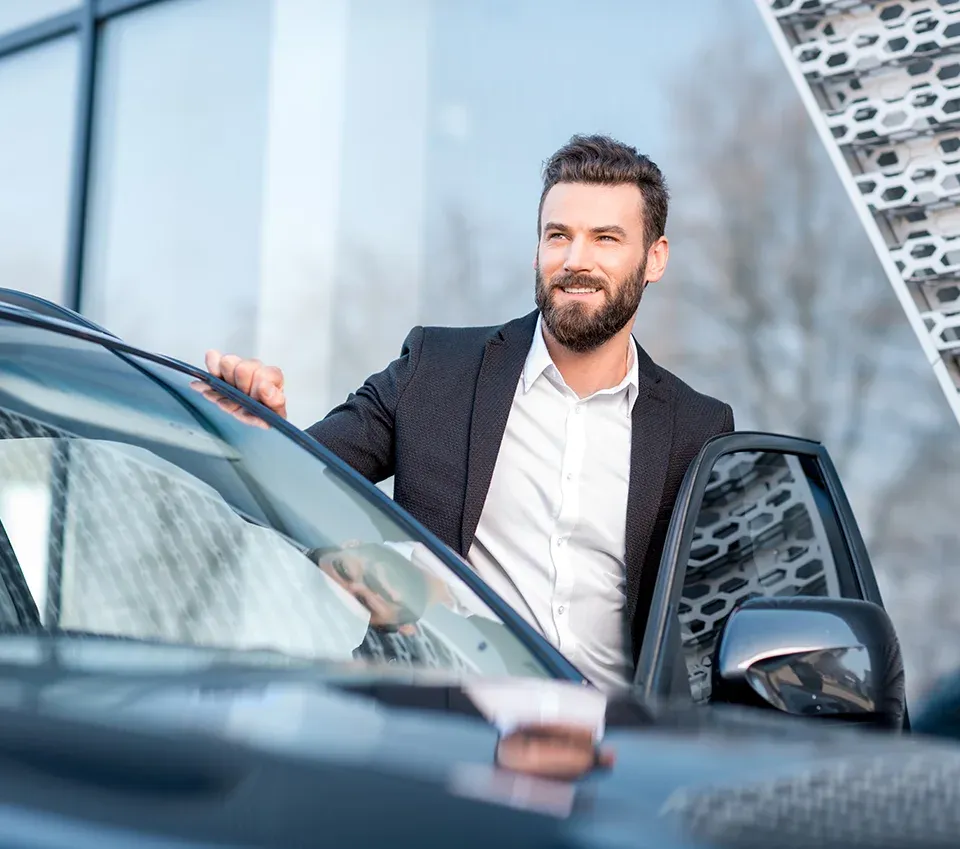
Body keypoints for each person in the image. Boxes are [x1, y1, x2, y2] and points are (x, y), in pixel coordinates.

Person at [204, 134, 735, 691]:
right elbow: (294, 486)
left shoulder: (695, 430)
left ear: (654, 258)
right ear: (537, 249)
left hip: (616, 750)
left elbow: (713, 627)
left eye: (605, 238)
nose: (576, 261)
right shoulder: (436, 373)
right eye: (559, 236)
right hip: (446, 728)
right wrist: (260, 433)